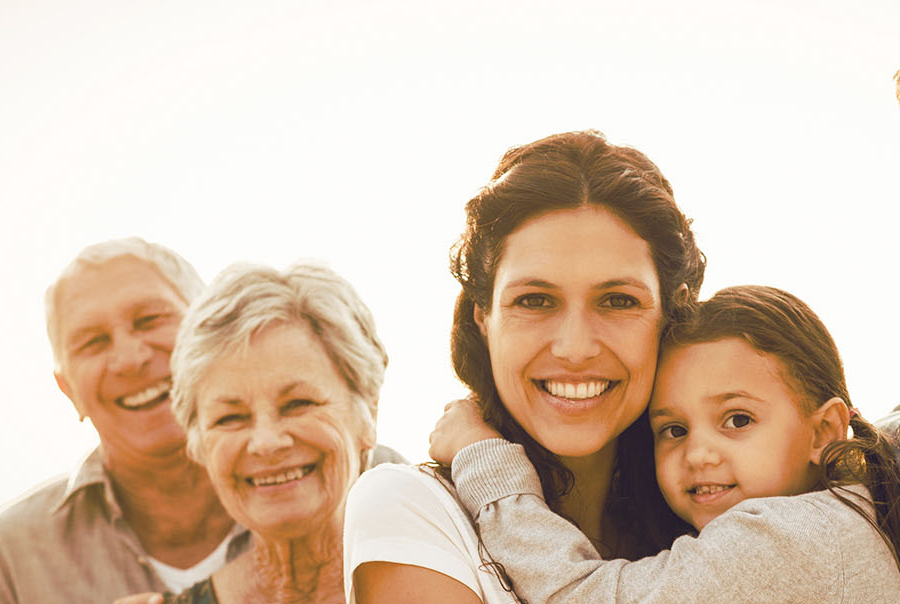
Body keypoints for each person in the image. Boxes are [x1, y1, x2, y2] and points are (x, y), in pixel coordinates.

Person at [343, 130, 707, 602]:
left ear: (670, 316)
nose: (575, 349)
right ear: (483, 318)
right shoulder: (411, 510)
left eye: (618, 300)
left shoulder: (729, 514)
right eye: (534, 300)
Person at [430, 284, 900, 602]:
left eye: (737, 419)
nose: (698, 454)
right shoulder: (850, 518)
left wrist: (484, 457)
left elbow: (576, 595)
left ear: (824, 431)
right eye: (673, 430)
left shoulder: (792, 539)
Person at [0, 237, 242, 604]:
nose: (129, 359)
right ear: (68, 391)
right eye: (93, 342)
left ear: (211, 333)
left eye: (150, 319)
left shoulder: (320, 501)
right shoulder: (11, 551)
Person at [152, 262, 404, 603]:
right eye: (230, 418)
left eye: (299, 403)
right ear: (198, 445)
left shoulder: (465, 578)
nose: (267, 442)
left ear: (368, 413)